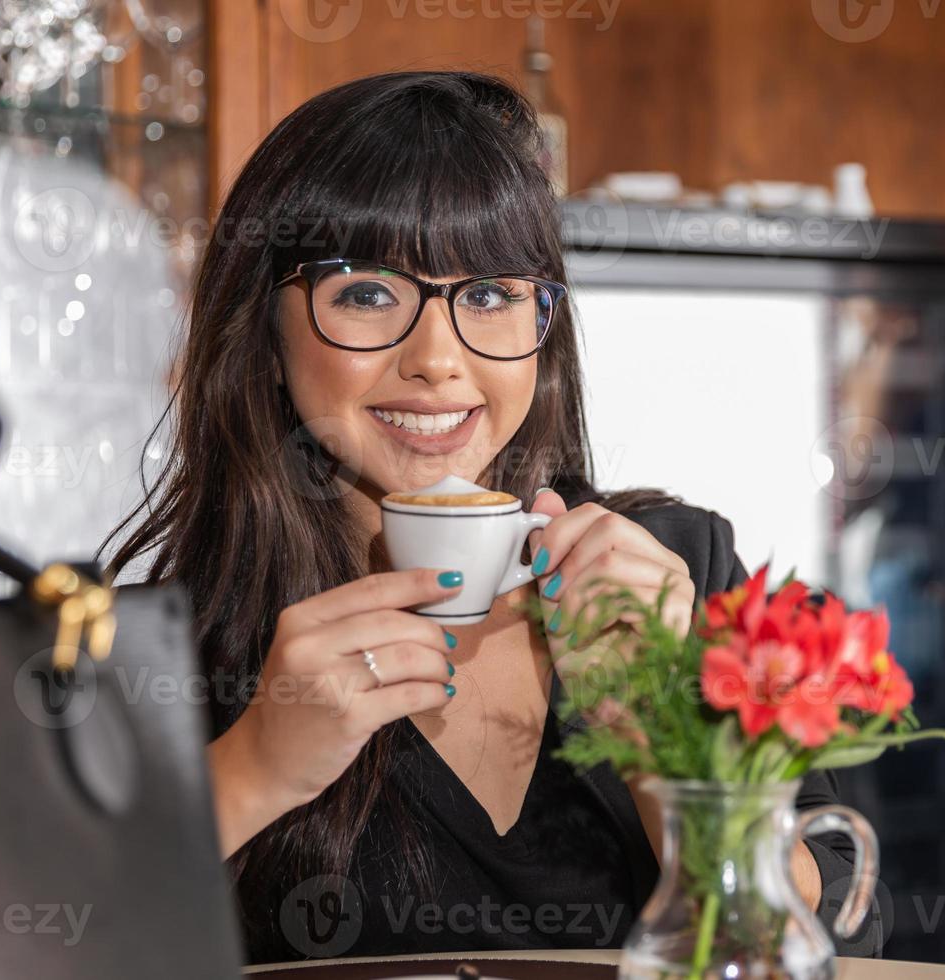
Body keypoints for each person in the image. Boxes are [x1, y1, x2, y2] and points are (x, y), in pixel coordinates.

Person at [102, 69, 886, 963]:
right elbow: (35, 938)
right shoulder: (173, 645)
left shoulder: (676, 569)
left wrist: (670, 730)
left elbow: (828, 931)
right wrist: (252, 771)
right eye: (366, 292)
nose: (437, 360)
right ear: (266, 338)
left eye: (489, 294)